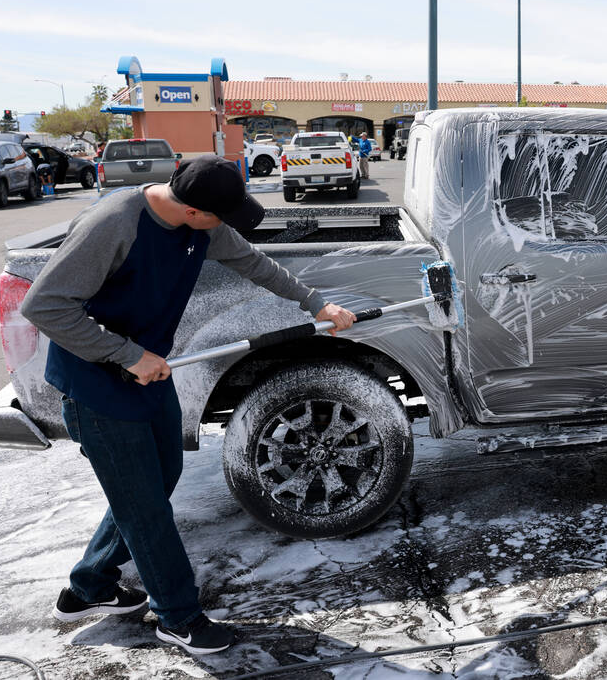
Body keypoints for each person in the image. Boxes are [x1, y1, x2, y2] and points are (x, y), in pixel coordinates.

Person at [21, 155, 356, 654]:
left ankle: (88, 588)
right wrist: (125, 354)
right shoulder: (114, 225)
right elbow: (43, 305)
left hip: (148, 372)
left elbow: (253, 263)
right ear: (195, 210)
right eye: (222, 216)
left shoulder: (204, 225)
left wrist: (316, 304)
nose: (226, 227)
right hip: (96, 384)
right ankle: (178, 617)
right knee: (146, 509)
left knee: (159, 480)